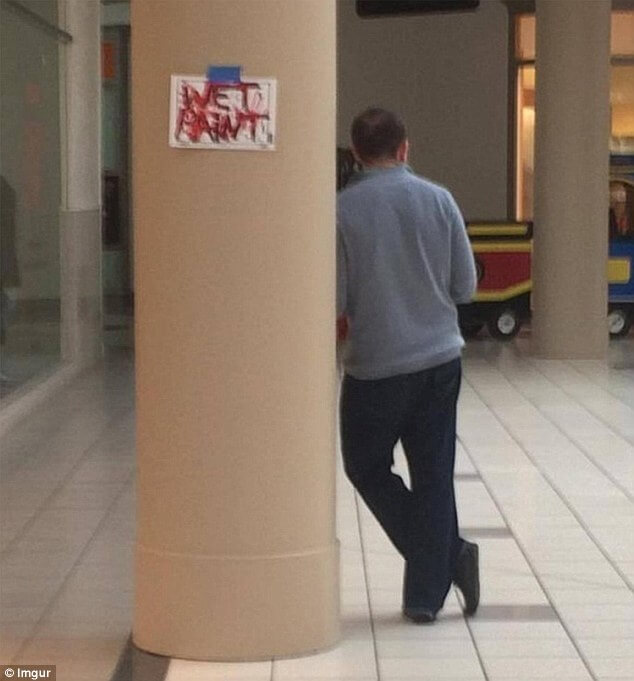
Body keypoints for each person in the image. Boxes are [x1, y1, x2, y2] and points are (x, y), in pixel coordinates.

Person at [337, 108, 479, 624]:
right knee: (434, 473)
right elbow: (465, 286)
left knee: (365, 466)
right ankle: (426, 594)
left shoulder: (340, 211)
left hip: (375, 368)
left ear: (356, 153)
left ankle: (448, 559)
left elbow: (335, 299)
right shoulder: (440, 200)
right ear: (404, 148)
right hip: (440, 359)